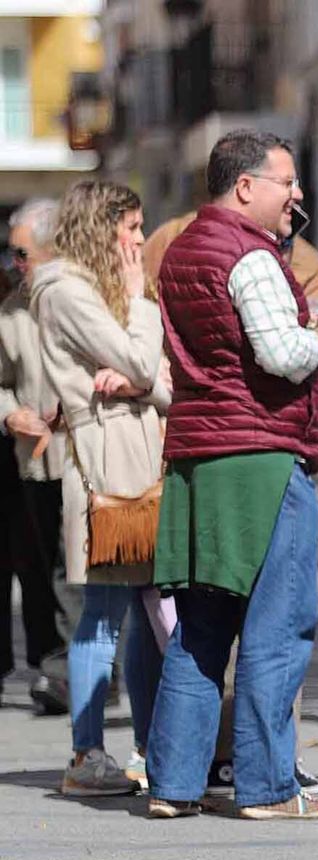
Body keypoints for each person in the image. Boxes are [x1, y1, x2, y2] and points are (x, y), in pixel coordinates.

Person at [145, 129, 318, 820]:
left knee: (200, 628)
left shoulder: (180, 251)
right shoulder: (250, 256)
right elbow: (282, 354)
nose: (296, 194)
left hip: (199, 458)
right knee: (276, 626)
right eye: (286, 181)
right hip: (260, 458)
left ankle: (172, 783)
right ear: (245, 185)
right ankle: (266, 786)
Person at [30, 182, 166, 796]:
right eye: (132, 227)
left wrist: (141, 378)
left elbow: (154, 377)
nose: (139, 240)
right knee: (107, 613)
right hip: (108, 462)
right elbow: (141, 364)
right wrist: (139, 304)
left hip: (133, 452)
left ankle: (144, 744)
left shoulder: (89, 289)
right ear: (101, 227)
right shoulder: (68, 291)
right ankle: (88, 754)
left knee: (137, 608)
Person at [0, 198, 72, 716]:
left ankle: (79, 668)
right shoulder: (10, 313)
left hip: (85, 458)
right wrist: (9, 415)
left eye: (21, 253)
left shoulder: (85, 299)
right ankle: (54, 665)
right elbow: (2, 383)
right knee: (42, 567)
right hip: (34, 461)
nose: (14, 263)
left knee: (81, 571)